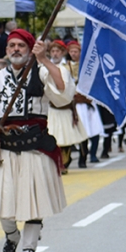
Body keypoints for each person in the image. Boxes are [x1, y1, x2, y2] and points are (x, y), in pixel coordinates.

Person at [0, 29, 75, 252]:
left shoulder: (42, 72)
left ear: (30, 49)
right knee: (5, 208)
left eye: (21, 46)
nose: (15, 49)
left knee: (34, 206)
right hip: (5, 150)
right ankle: (12, 236)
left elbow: (63, 94)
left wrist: (44, 58)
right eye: (12, 45)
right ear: (6, 50)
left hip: (35, 148)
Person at [45, 40, 88, 173]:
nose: (55, 54)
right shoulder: (45, 67)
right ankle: (56, 163)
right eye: (52, 51)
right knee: (53, 136)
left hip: (65, 107)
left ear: (63, 52)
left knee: (66, 137)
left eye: (57, 51)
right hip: (51, 108)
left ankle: (65, 162)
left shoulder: (67, 67)